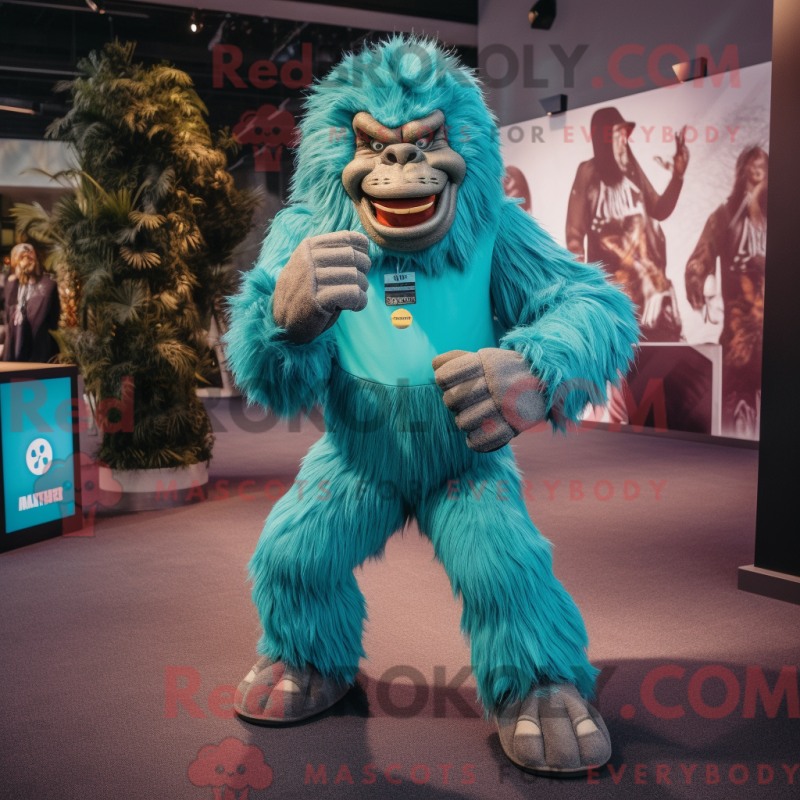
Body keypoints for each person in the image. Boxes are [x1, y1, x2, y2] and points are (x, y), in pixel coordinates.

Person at [566, 106, 689, 342]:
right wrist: (583, 291)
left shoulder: (632, 170)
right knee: (620, 360)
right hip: (613, 296)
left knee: (658, 356)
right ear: (603, 139)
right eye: (617, 134)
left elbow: (659, 210)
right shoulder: (588, 172)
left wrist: (678, 177)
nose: (623, 141)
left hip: (648, 293)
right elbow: (574, 235)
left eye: (625, 135)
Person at [685, 147, 768, 439]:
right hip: (739, 339)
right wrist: (701, 285)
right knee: (736, 425)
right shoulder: (726, 215)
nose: (757, 175)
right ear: (741, 175)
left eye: (762, 169)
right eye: (751, 170)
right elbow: (699, 260)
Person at [3, 242, 61, 363]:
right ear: (15, 263)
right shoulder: (12, 284)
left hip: (39, 350)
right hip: (15, 347)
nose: (26, 261)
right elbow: (8, 313)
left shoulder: (48, 285)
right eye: (22, 257)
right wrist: (14, 280)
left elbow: (54, 320)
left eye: (29, 257)